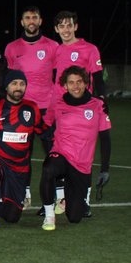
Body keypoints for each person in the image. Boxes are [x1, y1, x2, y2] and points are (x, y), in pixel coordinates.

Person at [52, 11, 111, 217]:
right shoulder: (57, 51)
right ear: (56, 29)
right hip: (62, 109)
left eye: (70, 25)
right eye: (62, 26)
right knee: (59, 149)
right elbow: (55, 79)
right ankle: (61, 198)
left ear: (76, 26)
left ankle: (84, 199)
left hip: (85, 109)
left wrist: (102, 100)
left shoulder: (90, 49)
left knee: (85, 152)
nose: (66, 30)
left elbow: (97, 77)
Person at [40, 66, 111, 230]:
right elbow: (43, 126)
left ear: (86, 83)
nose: (76, 86)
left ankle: (66, 198)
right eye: (71, 82)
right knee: (49, 169)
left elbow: (105, 138)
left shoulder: (98, 105)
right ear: (64, 85)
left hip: (81, 165)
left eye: (79, 82)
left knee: (74, 218)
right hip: (61, 154)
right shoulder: (57, 104)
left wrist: (105, 169)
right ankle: (49, 215)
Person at [4, 6, 59, 209]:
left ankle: (57, 196)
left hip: (46, 109)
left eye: (35, 17)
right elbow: (9, 80)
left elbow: (59, 77)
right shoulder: (11, 48)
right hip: (22, 109)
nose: (31, 20)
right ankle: (24, 192)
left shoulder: (53, 46)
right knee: (21, 152)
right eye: (27, 17)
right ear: (22, 22)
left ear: (40, 20)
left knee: (52, 153)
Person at [0, 70, 44, 229]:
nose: (18, 87)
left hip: (18, 166)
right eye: (14, 83)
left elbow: (43, 133)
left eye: (22, 84)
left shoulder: (32, 108)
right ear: (6, 87)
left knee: (12, 217)